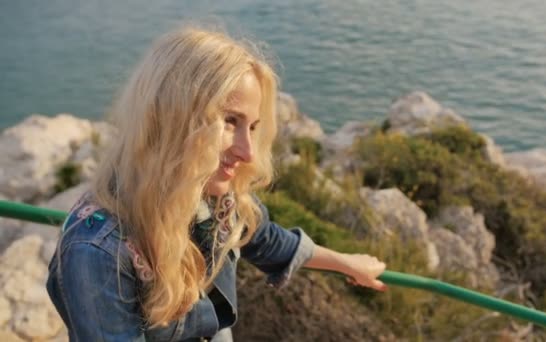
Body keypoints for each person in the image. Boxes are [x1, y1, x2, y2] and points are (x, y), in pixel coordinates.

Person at [46, 26, 386, 341]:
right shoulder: (97, 252)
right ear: (172, 118)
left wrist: (347, 263)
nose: (247, 152)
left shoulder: (211, 193)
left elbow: (263, 238)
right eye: (229, 121)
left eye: (252, 126)